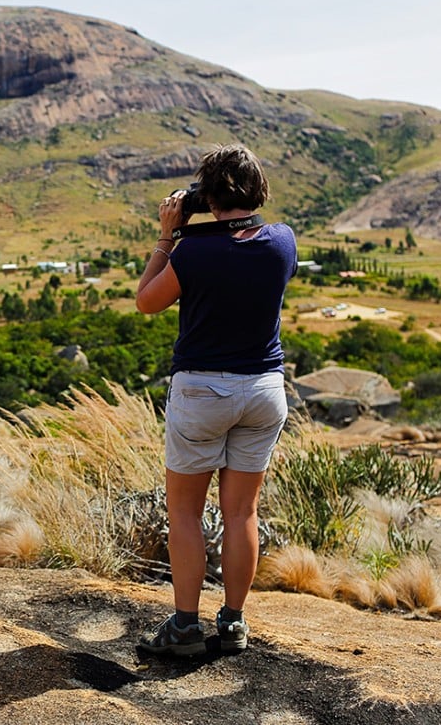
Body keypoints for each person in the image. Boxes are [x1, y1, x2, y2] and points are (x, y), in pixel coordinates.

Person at [134, 143, 297, 656]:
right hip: (264, 390)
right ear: (258, 190)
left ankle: (184, 627)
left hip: (203, 389)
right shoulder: (282, 243)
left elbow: (146, 302)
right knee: (241, 513)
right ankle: (232, 624)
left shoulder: (194, 251)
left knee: (184, 511)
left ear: (207, 195)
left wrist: (168, 234)